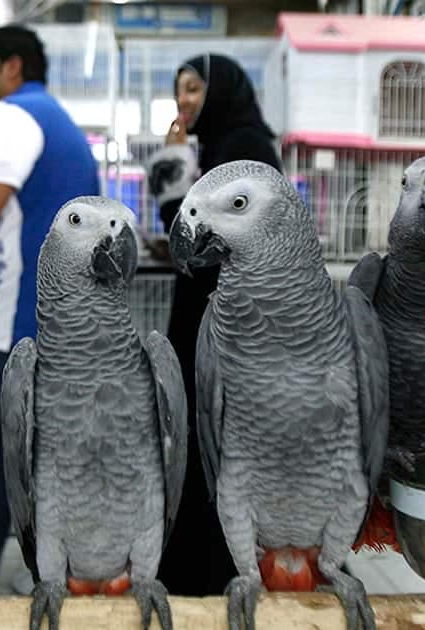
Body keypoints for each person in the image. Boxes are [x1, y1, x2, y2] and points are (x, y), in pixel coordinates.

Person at [0, 23, 100, 593]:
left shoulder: (13, 115)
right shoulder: (61, 124)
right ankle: (62, 585)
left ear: (12, 68)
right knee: (44, 473)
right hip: (63, 331)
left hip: (12, 333)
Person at [145, 52, 282, 596]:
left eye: (195, 89)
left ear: (221, 91)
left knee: (209, 450)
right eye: (179, 90)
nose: (184, 101)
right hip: (214, 324)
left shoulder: (243, 149)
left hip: (227, 336)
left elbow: (202, 244)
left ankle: (207, 578)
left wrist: (172, 164)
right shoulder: (227, 146)